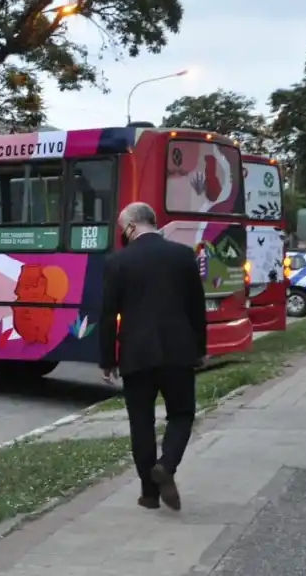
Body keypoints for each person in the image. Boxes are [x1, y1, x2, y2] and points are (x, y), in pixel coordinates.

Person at [98, 202, 207, 511]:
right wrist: (199, 349)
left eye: (123, 230)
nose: (123, 235)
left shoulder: (118, 262)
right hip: (178, 352)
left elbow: (107, 315)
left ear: (131, 227)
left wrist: (107, 359)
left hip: (136, 354)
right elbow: (196, 309)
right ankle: (167, 465)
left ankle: (149, 494)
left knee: (141, 424)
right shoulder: (183, 256)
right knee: (182, 414)